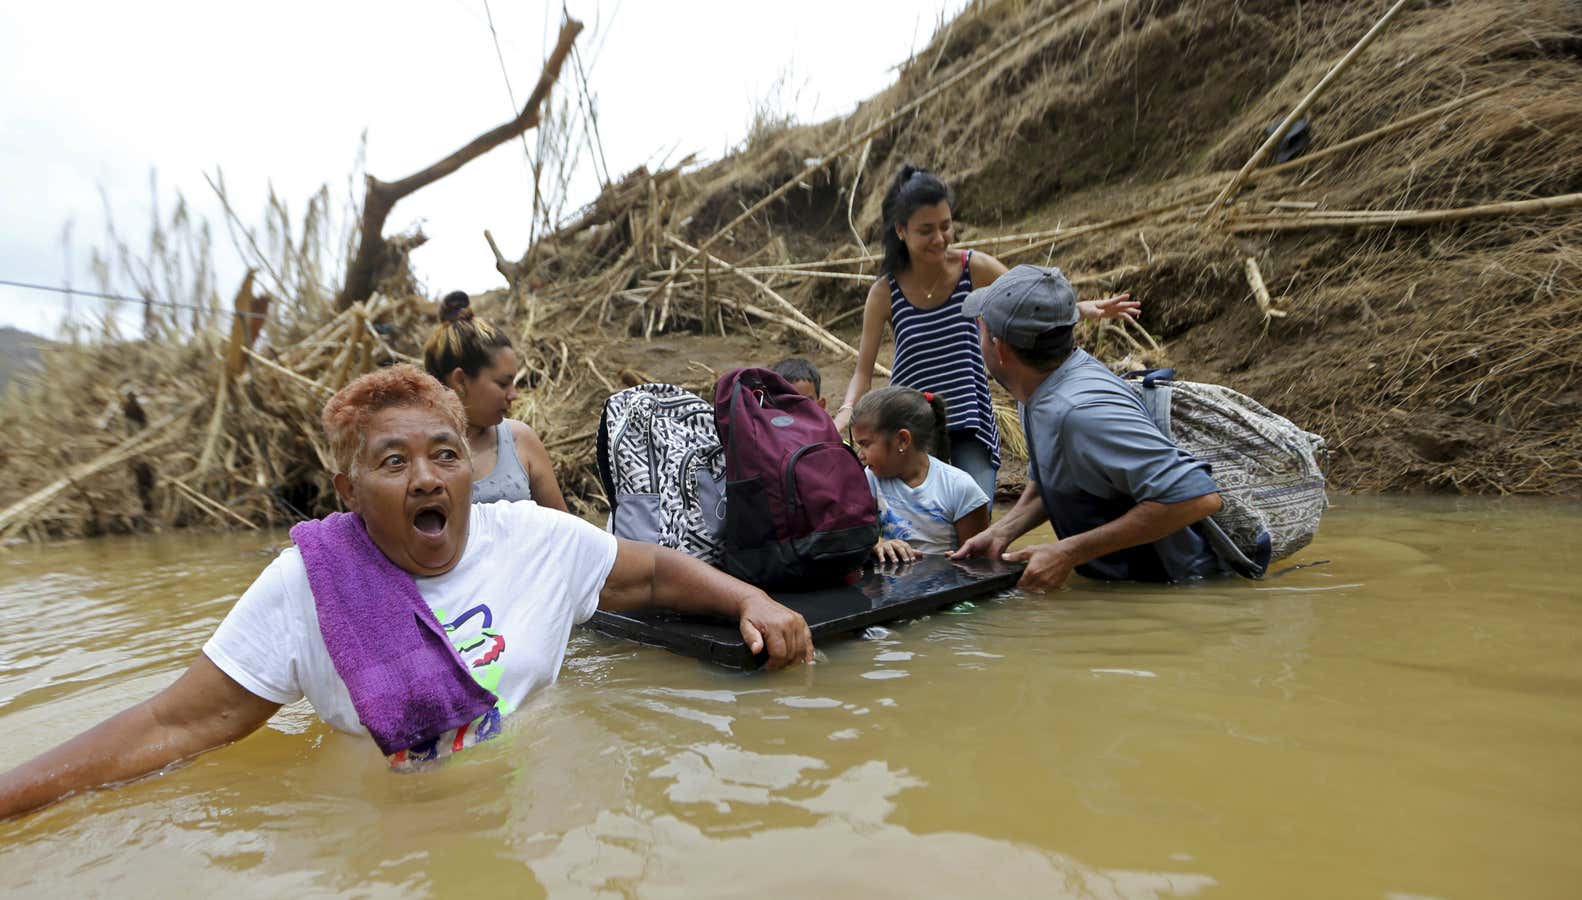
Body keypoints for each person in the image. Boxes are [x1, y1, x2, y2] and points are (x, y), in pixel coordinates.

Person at [0, 365, 812, 821]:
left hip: (540, 801)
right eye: (394, 462)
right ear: (346, 486)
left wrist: (749, 601)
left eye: (444, 454)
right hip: (392, 828)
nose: (426, 476)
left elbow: (650, 570)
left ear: (470, 465)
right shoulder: (306, 587)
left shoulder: (531, 538)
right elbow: (172, 723)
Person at [832, 165, 1141, 500]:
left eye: (946, 226)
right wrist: (845, 413)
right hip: (910, 428)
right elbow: (863, 372)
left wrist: (1081, 308)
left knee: (975, 512)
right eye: (926, 230)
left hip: (970, 417)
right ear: (901, 231)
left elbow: (1028, 301)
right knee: (919, 523)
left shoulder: (973, 268)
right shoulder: (885, 292)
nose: (939, 239)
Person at [950, 265, 1227, 591]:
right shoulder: (1035, 388)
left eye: (980, 328)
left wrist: (1067, 552)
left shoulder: (1080, 413)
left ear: (1000, 349)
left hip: (1174, 590)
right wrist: (1002, 531)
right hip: (1124, 586)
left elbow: (1198, 497)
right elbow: (1054, 481)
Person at [424, 291, 567, 509]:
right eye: (502, 384)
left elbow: (566, 532)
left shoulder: (521, 440)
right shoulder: (417, 454)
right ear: (460, 381)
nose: (514, 395)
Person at [851, 386, 990, 564]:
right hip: (889, 587)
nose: (860, 455)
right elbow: (855, 533)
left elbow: (982, 564)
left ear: (903, 440)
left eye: (865, 444)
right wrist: (877, 542)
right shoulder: (870, 478)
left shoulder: (960, 488)